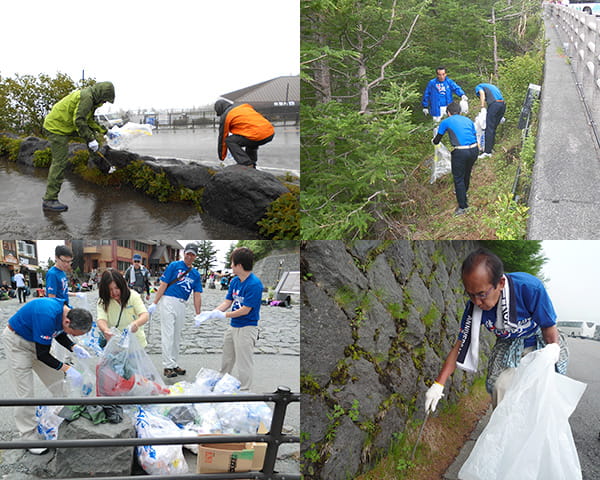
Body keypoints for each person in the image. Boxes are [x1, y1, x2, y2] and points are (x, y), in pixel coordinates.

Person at [425, 248, 567, 414]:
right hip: (507, 345)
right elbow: (460, 346)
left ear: (500, 283)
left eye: (482, 294)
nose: (477, 302)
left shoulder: (529, 288)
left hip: (538, 340)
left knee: (541, 393)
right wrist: (438, 384)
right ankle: (505, 434)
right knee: (500, 388)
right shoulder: (474, 308)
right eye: (470, 295)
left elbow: (548, 327)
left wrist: (552, 352)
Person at [0, 297, 92, 454]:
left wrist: (73, 346)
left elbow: (60, 333)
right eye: (74, 334)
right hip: (18, 343)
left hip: (38, 340)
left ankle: (61, 415)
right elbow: (43, 354)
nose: (73, 336)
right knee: (25, 393)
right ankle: (28, 438)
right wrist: (67, 368)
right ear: (68, 322)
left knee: (57, 380)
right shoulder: (46, 315)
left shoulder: (67, 312)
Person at [195, 247, 263, 391]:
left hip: (247, 326)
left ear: (239, 265)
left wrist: (224, 315)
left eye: (232, 263)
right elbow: (228, 302)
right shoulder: (235, 282)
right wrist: (212, 313)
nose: (230, 266)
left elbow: (246, 310)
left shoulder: (254, 284)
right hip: (233, 325)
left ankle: (245, 390)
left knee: (244, 361)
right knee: (227, 356)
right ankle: (222, 382)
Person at [42, 81, 115, 212]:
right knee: (60, 161)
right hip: (56, 128)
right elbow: (79, 121)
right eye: (105, 99)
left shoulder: (92, 99)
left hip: (66, 125)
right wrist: (91, 139)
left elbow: (89, 121)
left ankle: (100, 165)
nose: (104, 103)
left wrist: (105, 131)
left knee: (91, 136)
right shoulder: (86, 98)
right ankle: (50, 199)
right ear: (101, 94)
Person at [147, 243, 202, 378]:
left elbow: (197, 294)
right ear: (184, 253)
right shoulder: (174, 266)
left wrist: (198, 313)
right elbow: (164, 284)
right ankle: (167, 366)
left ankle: (173, 363)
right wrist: (155, 302)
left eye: (192, 254)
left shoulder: (195, 274)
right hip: (169, 300)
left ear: (195, 256)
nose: (189, 256)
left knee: (177, 335)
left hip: (182, 303)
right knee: (168, 334)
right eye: (187, 253)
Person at [432, 102, 479, 216]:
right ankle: (464, 193)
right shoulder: (468, 120)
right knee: (467, 173)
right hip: (474, 150)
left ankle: (463, 207)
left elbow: (437, 139)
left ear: (448, 113)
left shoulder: (446, 122)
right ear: (460, 111)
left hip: (461, 151)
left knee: (458, 178)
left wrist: (434, 142)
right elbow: (473, 134)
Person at [214, 99, 275, 168]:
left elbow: (222, 138)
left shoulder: (226, 115)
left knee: (229, 140)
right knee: (250, 139)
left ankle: (246, 163)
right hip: (270, 132)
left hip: (257, 134)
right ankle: (252, 163)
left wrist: (221, 156)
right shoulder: (243, 107)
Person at [97, 270, 149, 348]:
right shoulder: (103, 301)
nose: (114, 292)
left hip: (135, 343)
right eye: (110, 290)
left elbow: (144, 315)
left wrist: (136, 323)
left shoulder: (133, 296)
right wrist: (106, 330)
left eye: (117, 288)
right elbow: (101, 319)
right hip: (114, 343)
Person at [475, 83, 506, 158]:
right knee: (493, 128)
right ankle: (491, 148)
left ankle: (487, 152)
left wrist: (482, 106)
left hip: (494, 105)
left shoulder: (478, 87)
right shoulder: (492, 87)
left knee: (489, 128)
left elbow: (482, 93)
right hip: (502, 105)